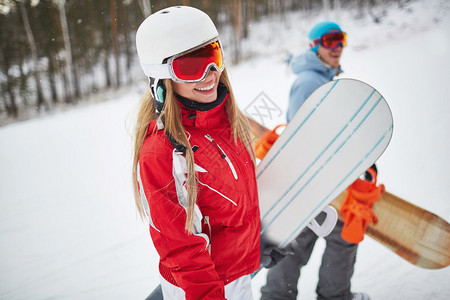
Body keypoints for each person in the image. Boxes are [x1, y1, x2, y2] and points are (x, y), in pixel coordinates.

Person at [132, 6, 260, 300]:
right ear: (162, 78)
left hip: (237, 276)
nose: (210, 75)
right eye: (191, 67)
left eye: (212, 58)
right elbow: (181, 246)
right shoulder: (161, 150)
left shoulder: (227, 120)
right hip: (202, 289)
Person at [260, 21, 371, 300]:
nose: (338, 47)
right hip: (316, 179)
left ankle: (276, 296)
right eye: (330, 40)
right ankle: (333, 296)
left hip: (312, 179)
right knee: (341, 235)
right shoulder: (310, 81)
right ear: (314, 45)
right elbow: (304, 136)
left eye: (341, 39)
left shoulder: (321, 78)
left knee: (297, 240)